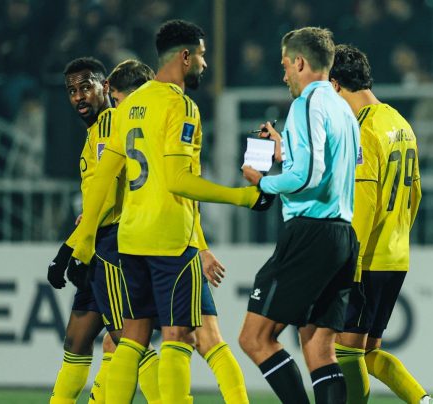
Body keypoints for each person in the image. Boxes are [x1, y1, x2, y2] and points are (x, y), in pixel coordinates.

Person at [71, 20, 271, 403]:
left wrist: (80, 242)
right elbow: (180, 181)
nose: (204, 64)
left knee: (131, 339)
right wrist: (243, 198)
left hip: (130, 239)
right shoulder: (181, 106)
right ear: (185, 56)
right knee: (180, 337)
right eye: (201, 55)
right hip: (169, 240)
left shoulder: (127, 107)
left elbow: (102, 179)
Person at [238, 27, 360, 404]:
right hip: (341, 233)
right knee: (319, 347)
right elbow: (340, 165)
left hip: (310, 232)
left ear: (301, 62)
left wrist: (264, 182)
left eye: (285, 65)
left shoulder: (307, 104)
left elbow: (309, 176)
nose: (284, 74)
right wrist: (285, 151)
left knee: (254, 338)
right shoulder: (344, 108)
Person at [46, 56, 162, 404]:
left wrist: (70, 251)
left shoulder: (111, 123)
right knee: (77, 340)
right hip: (97, 244)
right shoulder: (95, 132)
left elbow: (108, 199)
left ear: (105, 87)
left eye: (86, 87)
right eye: (72, 91)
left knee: (128, 340)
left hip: (112, 246)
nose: (79, 96)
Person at [328, 44, 433, 404]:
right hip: (395, 255)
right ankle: (424, 401)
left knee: (345, 351)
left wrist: (349, 264)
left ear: (334, 85)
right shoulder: (399, 122)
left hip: (366, 260)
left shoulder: (362, 130)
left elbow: (366, 203)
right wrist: (398, 234)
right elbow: (416, 193)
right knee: (368, 351)